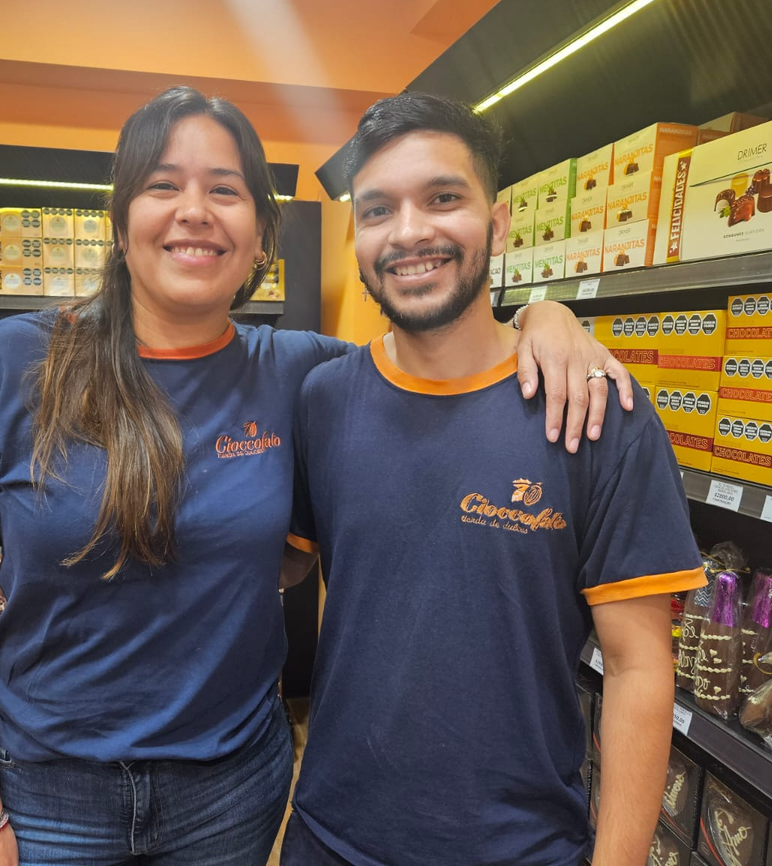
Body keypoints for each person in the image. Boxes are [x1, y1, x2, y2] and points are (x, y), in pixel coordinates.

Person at [0, 86, 628, 866]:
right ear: (120, 226)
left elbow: (443, 351)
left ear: (260, 238)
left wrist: (543, 316)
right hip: (48, 795)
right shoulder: (12, 365)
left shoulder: (304, 375)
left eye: (225, 189)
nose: (194, 210)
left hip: (230, 793)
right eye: (162, 185)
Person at [279, 93, 706, 866]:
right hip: (330, 837)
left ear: (499, 222)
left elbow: (641, 669)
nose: (410, 232)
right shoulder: (324, 400)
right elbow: (287, 565)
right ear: (357, 236)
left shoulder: (600, 410)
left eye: (444, 198)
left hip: (521, 846)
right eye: (378, 210)